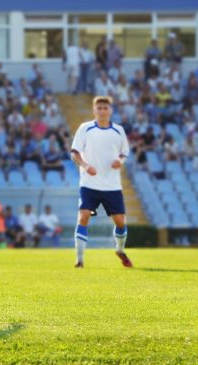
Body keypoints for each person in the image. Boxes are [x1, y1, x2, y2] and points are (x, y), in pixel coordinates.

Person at [70, 96, 132, 268]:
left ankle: (120, 250)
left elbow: (124, 152)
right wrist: (85, 165)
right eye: (100, 108)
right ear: (94, 110)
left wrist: (120, 161)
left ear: (110, 110)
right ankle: (80, 259)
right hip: (89, 183)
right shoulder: (85, 128)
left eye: (106, 108)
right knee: (83, 216)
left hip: (112, 185)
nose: (103, 110)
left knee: (120, 222)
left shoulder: (118, 130)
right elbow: (74, 153)